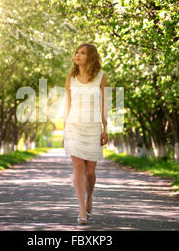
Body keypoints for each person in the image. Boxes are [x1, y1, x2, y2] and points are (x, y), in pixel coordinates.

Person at [62, 43, 108, 225]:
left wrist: (106, 129)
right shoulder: (70, 78)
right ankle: (82, 209)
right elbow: (67, 105)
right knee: (78, 165)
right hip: (74, 126)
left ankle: (89, 197)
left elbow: (104, 104)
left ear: (91, 57)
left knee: (90, 172)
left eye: (82, 53)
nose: (78, 55)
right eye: (76, 52)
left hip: (93, 126)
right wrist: (65, 130)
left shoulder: (100, 77)